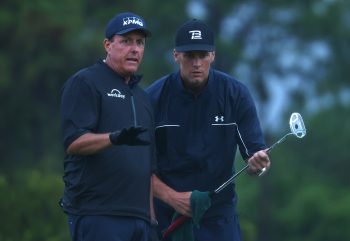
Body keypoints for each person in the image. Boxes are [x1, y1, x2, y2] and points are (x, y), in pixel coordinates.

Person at [146, 19, 271, 241]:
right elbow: (137, 167)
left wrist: (259, 165)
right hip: (168, 216)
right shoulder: (153, 98)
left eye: (202, 55)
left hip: (219, 218)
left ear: (212, 56)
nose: (197, 63)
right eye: (189, 55)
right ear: (176, 55)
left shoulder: (235, 94)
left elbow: (255, 159)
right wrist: (173, 198)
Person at [59, 12, 158, 241]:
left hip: (140, 220)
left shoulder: (143, 98)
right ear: (107, 44)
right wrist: (114, 138)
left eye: (140, 43)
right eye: (126, 41)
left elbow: (148, 167)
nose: (134, 49)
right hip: (98, 213)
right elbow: (73, 142)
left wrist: (151, 219)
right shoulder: (86, 82)